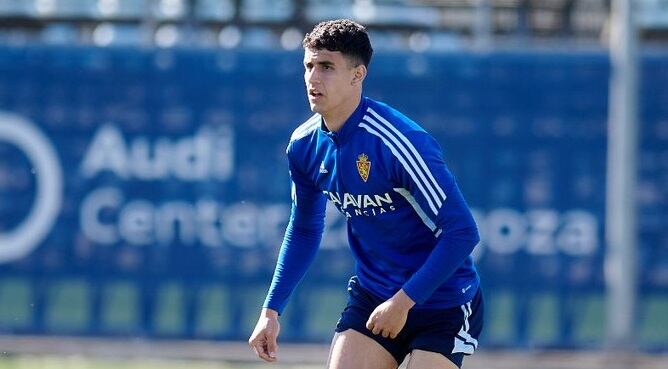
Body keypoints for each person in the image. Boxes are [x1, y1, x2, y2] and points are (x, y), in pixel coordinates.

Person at [248, 19, 483, 369]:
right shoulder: (304, 145)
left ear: (358, 75)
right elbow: (305, 229)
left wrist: (403, 303)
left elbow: (463, 233)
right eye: (309, 66)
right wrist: (270, 311)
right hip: (375, 294)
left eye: (327, 67)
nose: (313, 78)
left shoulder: (399, 142)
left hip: (443, 301)